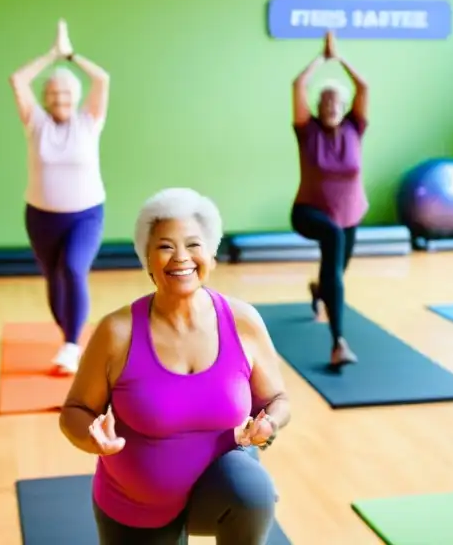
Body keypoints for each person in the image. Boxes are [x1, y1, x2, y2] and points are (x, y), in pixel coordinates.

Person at [60, 187, 288, 545]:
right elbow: (75, 410)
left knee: (252, 491)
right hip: (134, 506)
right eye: (165, 246)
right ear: (146, 259)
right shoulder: (116, 332)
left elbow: (276, 398)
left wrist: (269, 424)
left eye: (194, 244)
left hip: (220, 491)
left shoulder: (243, 321)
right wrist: (91, 438)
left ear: (211, 254)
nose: (181, 257)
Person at [9, 20, 111, 375]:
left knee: (72, 268)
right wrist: (50, 56)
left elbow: (103, 80)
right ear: (45, 98)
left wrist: (71, 56)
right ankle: (65, 333)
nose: (60, 100)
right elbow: (17, 80)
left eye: (66, 94)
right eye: (53, 94)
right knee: (53, 279)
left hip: (85, 215)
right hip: (41, 216)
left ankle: (71, 344)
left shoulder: (89, 122)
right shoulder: (35, 123)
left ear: (76, 97)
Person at [290, 30, 369, 366]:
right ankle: (338, 343)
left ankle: (319, 291)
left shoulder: (355, 127)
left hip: (350, 214)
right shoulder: (306, 130)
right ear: (317, 108)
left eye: (335, 101)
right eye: (324, 102)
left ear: (344, 105)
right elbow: (298, 86)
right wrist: (321, 59)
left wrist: (341, 59)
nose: (330, 106)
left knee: (334, 271)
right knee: (333, 245)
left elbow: (363, 86)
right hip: (309, 212)